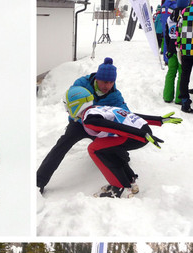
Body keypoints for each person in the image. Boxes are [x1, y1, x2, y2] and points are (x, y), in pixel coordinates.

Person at [63, 86, 182, 198]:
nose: (67, 111)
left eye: (67, 107)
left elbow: (114, 127)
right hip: (138, 132)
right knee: (105, 148)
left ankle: (119, 188)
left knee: (93, 149)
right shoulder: (98, 108)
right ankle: (130, 181)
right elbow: (129, 115)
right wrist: (159, 120)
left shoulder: (90, 119)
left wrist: (141, 135)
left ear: (75, 105)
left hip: (135, 135)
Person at [37, 57, 129, 193]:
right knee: (62, 144)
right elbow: (71, 104)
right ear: (97, 78)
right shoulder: (82, 84)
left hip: (99, 127)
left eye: (111, 82)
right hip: (79, 123)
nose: (107, 86)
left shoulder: (115, 95)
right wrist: (84, 118)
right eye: (104, 82)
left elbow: (125, 112)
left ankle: (122, 169)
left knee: (120, 154)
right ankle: (39, 182)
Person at [162, 1, 182, 104]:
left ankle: (167, 96)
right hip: (182, 49)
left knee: (171, 73)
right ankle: (179, 98)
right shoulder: (185, 16)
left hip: (171, 48)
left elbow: (166, 36)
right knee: (181, 74)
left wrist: (167, 50)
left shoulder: (170, 18)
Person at [176, 0, 193, 112]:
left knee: (185, 75)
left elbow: (178, 29)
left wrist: (178, 45)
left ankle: (185, 102)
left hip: (186, 49)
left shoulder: (184, 11)